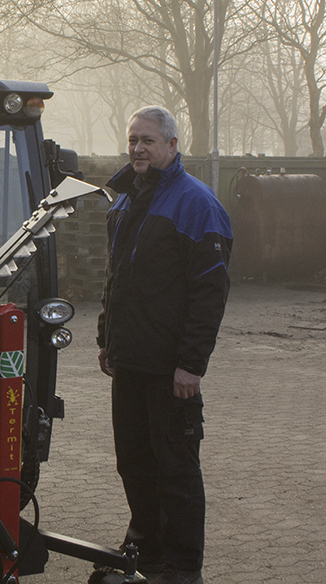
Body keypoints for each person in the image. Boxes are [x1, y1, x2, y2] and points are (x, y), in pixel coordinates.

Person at [96, 106, 232, 584]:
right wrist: (106, 339)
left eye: (148, 140)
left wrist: (191, 365)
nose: (138, 148)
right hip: (131, 362)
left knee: (175, 467)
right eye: (133, 139)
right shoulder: (126, 200)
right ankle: (146, 549)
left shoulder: (196, 204)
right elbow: (117, 279)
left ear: (172, 146)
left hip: (171, 368)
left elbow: (209, 292)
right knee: (133, 460)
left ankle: (181, 566)